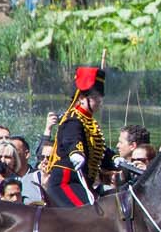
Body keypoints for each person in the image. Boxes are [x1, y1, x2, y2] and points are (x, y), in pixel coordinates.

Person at [42, 66, 112, 207]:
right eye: (95, 97)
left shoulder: (90, 122)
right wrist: (75, 152)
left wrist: (115, 159)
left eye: (100, 97)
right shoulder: (73, 119)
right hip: (66, 183)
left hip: (83, 183)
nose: (99, 101)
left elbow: (98, 151)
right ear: (81, 98)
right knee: (88, 214)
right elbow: (72, 139)